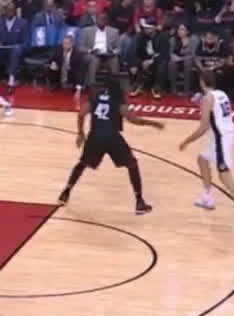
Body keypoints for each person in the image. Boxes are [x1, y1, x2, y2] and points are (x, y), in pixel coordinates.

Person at [56, 76, 163, 214]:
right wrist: (153, 123)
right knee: (132, 164)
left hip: (95, 136)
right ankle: (139, 201)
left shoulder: (95, 96)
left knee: (82, 164)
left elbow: (81, 113)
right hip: (112, 137)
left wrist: (81, 133)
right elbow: (133, 119)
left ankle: (66, 192)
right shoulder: (118, 98)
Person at [179, 70, 234, 228]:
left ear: (202, 82)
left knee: (224, 176)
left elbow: (203, 127)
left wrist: (186, 141)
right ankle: (207, 196)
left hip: (221, 139)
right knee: (202, 159)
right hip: (224, 134)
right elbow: (215, 114)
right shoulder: (221, 94)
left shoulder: (207, 98)